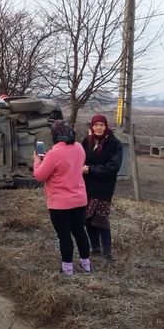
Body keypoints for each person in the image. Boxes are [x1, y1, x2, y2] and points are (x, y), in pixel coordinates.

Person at [33, 120, 92, 276]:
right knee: (80, 231)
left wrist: (37, 160)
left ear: (54, 134)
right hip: (79, 199)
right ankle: (86, 265)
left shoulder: (53, 154)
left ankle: (67, 268)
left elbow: (40, 176)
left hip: (60, 203)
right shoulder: (79, 147)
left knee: (64, 235)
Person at [81, 114, 123, 261]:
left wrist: (90, 169)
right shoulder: (87, 141)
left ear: (106, 126)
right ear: (92, 127)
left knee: (101, 219)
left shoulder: (114, 144)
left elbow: (113, 167)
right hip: (87, 186)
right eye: (96, 125)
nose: (98, 128)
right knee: (88, 218)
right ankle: (95, 248)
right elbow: (79, 158)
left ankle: (107, 252)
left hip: (103, 187)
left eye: (101, 125)